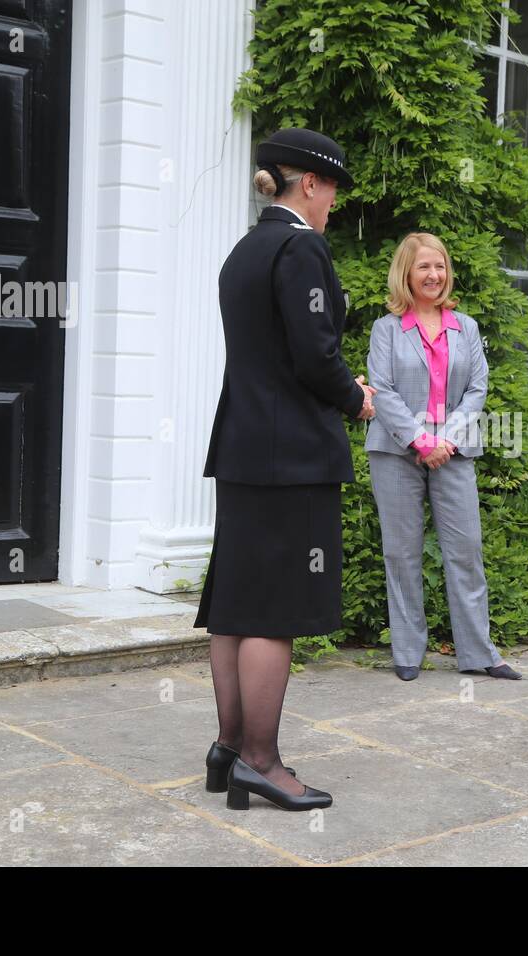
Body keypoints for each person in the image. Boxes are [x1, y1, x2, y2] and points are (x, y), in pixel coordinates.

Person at [194, 128, 376, 811]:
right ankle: (262, 762)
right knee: (273, 611)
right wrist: (355, 397)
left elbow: (274, 354)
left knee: (236, 606)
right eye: (332, 189)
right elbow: (312, 356)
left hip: (242, 448)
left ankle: (228, 750)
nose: (334, 204)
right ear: (310, 184)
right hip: (290, 455)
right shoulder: (302, 248)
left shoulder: (244, 250)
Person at [364, 233, 519, 681]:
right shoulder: (385, 329)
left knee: (466, 549)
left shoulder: (465, 327)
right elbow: (383, 389)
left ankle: (478, 653)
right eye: (423, 267)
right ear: (406, 274)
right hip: (395, 450)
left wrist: (444, 439)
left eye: (440, 267)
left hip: (454, 450)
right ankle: (408, 652)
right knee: (402, 552)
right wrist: (420, 440)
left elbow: (477, 388)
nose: (434, 275)